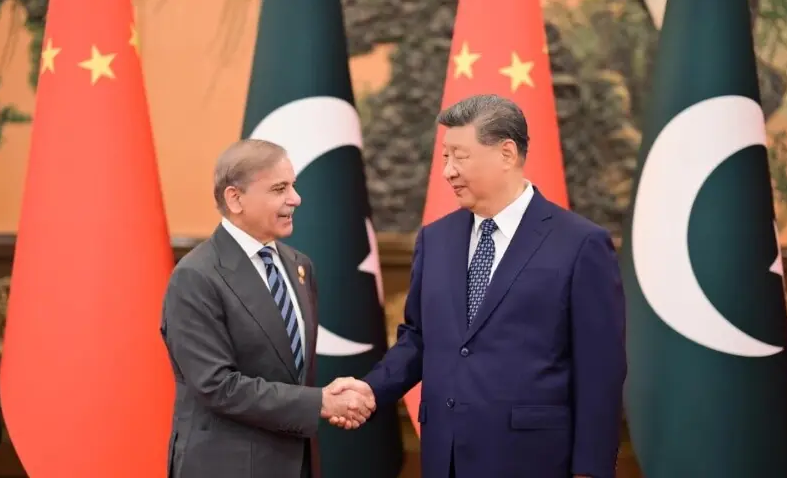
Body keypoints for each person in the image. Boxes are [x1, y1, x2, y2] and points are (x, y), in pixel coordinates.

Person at [329, 94, 626, 478]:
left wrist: (591, 470)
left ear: (506, 154)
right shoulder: (435, 238)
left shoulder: (580, 244)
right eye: (444, 157)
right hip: (446, 457)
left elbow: (601, 370)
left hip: (534, 461)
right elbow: (419, 338)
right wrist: (371, 390)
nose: (448, 171)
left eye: (460, 156)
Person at [160, 139, 374, 478]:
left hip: (296, 462)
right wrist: (320, 402)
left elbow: (290, 370)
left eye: (293, 186)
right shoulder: (195, 276)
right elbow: (217, 386)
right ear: (235, 198)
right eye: (279, 188)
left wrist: (329, 398)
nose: (296, 198)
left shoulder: (299, 266)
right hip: (226, 466)